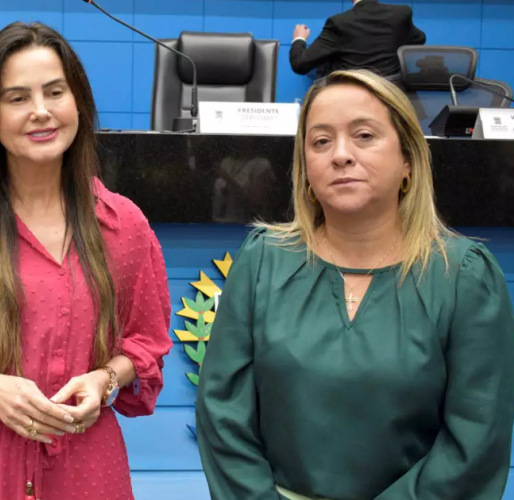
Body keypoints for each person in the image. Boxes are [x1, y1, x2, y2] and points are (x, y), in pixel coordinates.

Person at [196, 68, 514, 500]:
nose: (341, 155)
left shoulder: (465, 276)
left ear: (407, 160)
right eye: (321, 141)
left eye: (364, 135)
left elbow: (475, 443)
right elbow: (222, 413)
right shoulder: (262, 260)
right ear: (305, 168)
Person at [0, 21, 174, 500]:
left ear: (79, 104)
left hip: (89, 465)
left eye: (54, 92)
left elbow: (147, 342)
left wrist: (105, 379)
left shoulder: (124, 225)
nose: (41, 112)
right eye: (17, 98)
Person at [290, 0, 427, 77]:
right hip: (392, 101)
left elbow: (300, 64)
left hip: (352, 100)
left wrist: (299, 39)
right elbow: (419, 38)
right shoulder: (401, 14)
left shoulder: (339, 22)